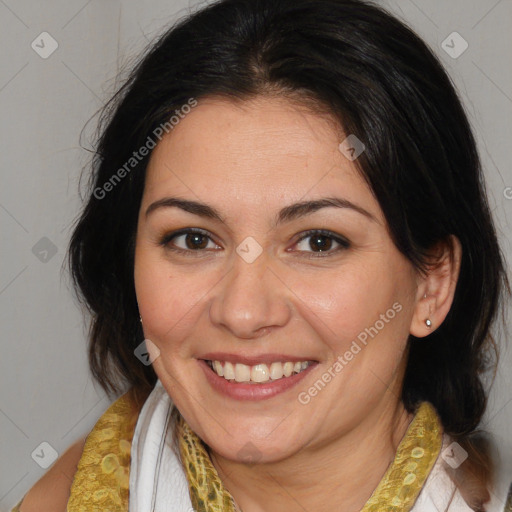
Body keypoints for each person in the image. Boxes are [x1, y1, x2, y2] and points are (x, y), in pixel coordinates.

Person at [13, 0, 512, 511]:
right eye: (193, 239)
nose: (243, 312)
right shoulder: (71, 497)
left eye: (319, 241)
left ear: (432, 282)